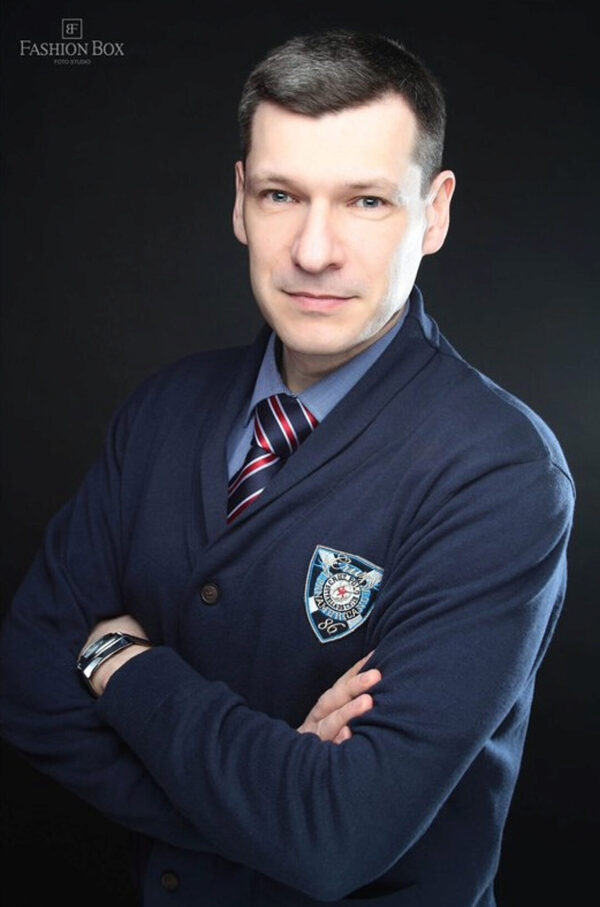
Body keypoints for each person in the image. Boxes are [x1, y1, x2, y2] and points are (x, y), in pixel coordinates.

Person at [0, 29, 575, 907]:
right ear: (240, 201)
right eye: (281, 194)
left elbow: (337, 835)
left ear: (435, 213)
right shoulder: (161, 410)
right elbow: (26, 684)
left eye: (365, 201)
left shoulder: (502, 473)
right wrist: (268, 806)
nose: (313, 250)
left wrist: (119, 661)